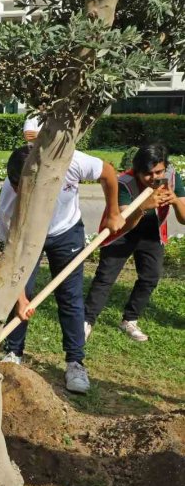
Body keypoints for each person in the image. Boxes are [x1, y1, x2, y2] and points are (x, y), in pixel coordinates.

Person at [0, 145, 125, 393]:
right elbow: (10, 259)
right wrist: (21, 299)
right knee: (20, 294)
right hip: (27, 237)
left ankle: (75, 362)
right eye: (18, 187)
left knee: (70, 296)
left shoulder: (70, 161)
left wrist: (113, 212)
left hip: (66, 231)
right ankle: (13, 353)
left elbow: (108, 172)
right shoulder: (9, 204)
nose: (20, 192)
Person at [84, 143, 185, 342]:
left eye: (159, 172)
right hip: (121, 233)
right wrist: (142, 207)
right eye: (148, 174)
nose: (155, 178)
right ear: (138, 171)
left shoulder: (172, 177)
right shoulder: (123, 182)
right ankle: (86, 321)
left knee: (150, 277)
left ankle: (130, 319)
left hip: (151, 233)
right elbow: (122, 221)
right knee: (105, 278)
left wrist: (175, 201)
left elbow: (183, 218)